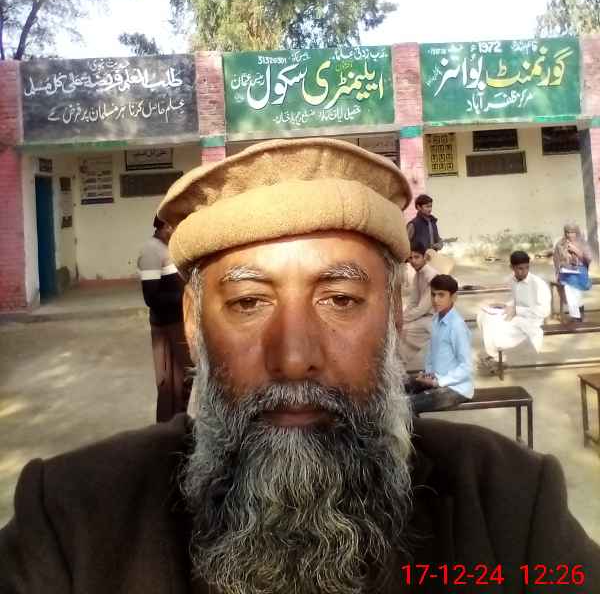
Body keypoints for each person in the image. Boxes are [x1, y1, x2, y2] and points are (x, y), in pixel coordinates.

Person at [1, 137, 598, 593]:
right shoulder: (74, 522)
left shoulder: (506, 505)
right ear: (193, 324)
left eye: (339, 300)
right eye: (248, 302)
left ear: (393, 315)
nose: (292, 358)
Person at [137, 215, 192, 421]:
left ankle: (182, 423)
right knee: (168, 381)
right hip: (167, 325)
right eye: (174, 227)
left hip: (179, 322)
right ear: (165, 226)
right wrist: (186, 296)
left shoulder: (167, 247)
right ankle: (168, 427)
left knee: (183, 378)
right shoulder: (151, 250)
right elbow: (151, 297)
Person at [405, 274, 473, 415]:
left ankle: (410, 428)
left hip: (456, 388)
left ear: (453, 297)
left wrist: (439, 382)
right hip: (437, 379)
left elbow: (466, 367)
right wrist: (428, 375)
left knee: (404, 406)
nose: (435, 300)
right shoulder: (436, 319)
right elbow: (432, 353)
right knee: (399, 387)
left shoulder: (457, 326)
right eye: (433, 294)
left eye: (441, 295)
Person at [477, 250, 552, 372]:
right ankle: (496, 356)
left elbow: (544, 311)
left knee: (496, 327)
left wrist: (517, 310)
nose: (524, 272)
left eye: (526, 268)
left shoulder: (538, 284)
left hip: (531, 320)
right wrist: (503, 305)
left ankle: (498, 359)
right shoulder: (513, 280)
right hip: (515, 314)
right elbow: (517, 300)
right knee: (484, 316)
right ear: (512, 267)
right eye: (520, 268)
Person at [398, 241, 436, 365]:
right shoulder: (418, 275)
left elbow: (422, 309)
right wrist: (401, 318)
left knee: (404, 331)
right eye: (410, 258)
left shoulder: (431, 276)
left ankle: (398, 366)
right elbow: (413, 302)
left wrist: (401, 321)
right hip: (422, 315)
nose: (413, 261)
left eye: (417, 257)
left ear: (424, 257)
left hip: (432, 318)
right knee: (398, 329)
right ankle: (396, 366)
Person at [553, 222, 593, 322]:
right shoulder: (560, 244)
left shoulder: (583, 243)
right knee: (569, 288)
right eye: (567, 232)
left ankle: (577, 311)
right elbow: (556, 259)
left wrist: (576, 251)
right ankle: (577, 313)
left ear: (577, 232)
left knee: (572, 287)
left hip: (580, 271)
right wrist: (558, 271)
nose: (569, 235)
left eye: (572, 232)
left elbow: (588, 259)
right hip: (565, 273)